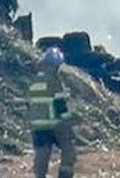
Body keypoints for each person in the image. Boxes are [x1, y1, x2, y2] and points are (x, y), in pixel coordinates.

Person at [28, 47, 75, 178]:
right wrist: (68, 123)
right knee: (68, 149)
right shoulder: (54, 82)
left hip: (37, 126)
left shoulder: (33, 81)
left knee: (41, 158)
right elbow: (61, 106)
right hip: (55, 125)